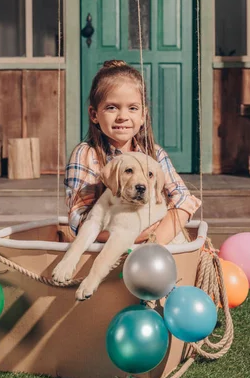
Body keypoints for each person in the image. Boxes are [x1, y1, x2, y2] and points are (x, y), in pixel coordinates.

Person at [64, 60, 200, 245]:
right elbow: (79, 221)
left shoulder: (154, 154)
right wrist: (131, 238)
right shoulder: (86, 155)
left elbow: (183, 199)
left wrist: (154, 245)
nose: (122, 116)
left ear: (143, 115)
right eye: (112, 107)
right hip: (107, 247)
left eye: (133, 108)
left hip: (156, 245)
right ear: (94, 114)